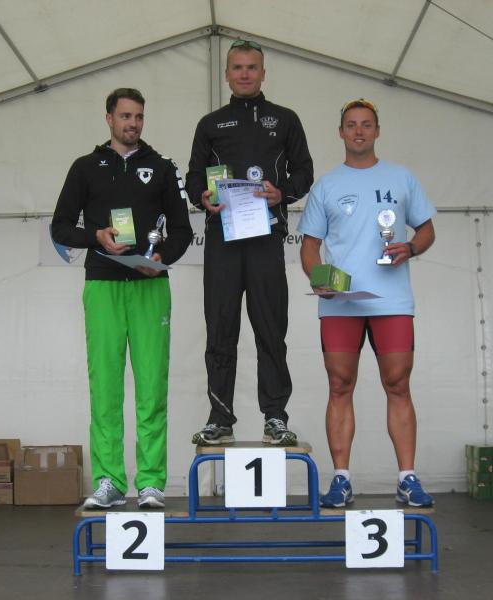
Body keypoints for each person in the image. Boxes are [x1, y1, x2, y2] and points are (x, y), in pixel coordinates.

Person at [52, 88, 192, 509]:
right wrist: (95, 236)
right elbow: (61, 227)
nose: (133, 123)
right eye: (126, 116)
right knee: (106, 388)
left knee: (152, 387)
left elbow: (182, 231)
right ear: (109, 118)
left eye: (139, 117)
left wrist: (162, 258)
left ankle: (150, 482)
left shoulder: (162, 168)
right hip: (102, 285)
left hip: (150, 286)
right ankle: (109, 481)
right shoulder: (85, 167)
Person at [298, 98, 436, 508]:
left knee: (398, 384)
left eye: (366, 124)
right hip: (341, 303)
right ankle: (341, 478)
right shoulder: (326, 186)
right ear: (340, 132)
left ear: (377, 131)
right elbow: (309, 247)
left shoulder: (401, 177)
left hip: (392, 301)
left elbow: (427, 230)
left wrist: (411, 247)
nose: (359, 131)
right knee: (340, 385)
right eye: (351, 124)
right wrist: (319, 278)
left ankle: (407, 478)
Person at [186, 39, 313, 446]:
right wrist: (202, 196)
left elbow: (304, 172)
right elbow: (193, 177)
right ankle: (219, 418)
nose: (244, 74)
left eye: (252, 67)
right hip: (223, 239)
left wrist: (282, 193)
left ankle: (275, 416)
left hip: (265, 238)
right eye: (238, 67)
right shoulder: (210, 124)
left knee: (271, 329)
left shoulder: (285, 119)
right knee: (220, 328)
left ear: (263, 73)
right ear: (227, 74)